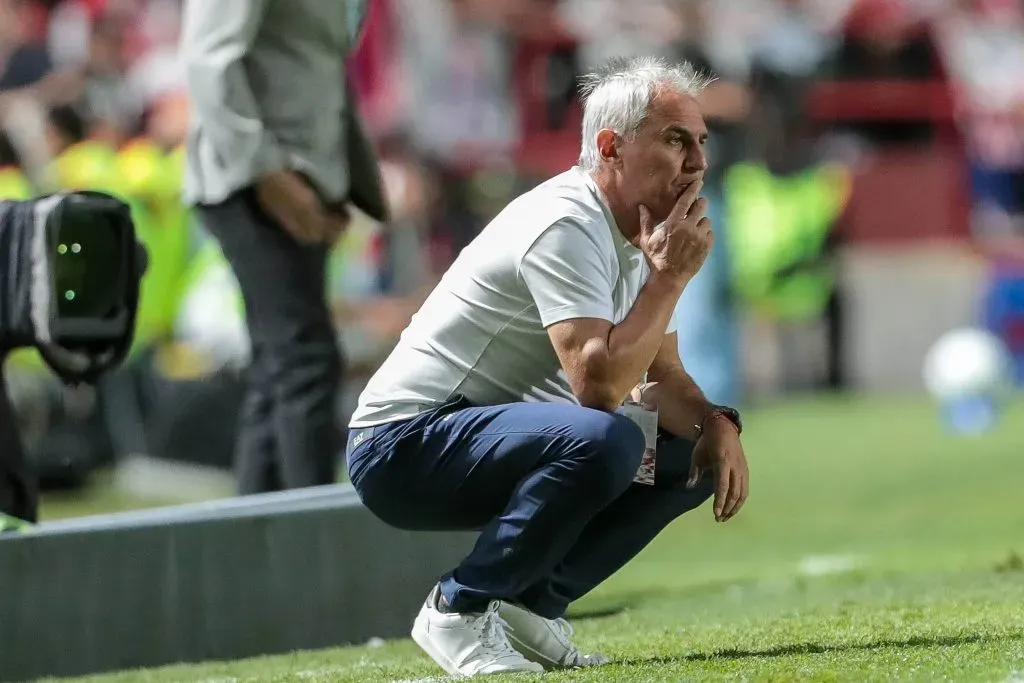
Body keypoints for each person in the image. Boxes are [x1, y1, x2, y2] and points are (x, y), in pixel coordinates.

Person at [346, 56, 751, 677]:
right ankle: (459, 606)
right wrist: (668, 279)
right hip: (401, 443)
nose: (697, 161)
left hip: (486, 431)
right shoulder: (566, 220)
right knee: (608, 437)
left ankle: (531, 604)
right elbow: (601, 388)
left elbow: (659, 371)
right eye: (675, 140)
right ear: (612, 145)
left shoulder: (639, 231)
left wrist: (715, 423)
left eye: (700, 141)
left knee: (681, 453)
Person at [180, 0, 388, 495]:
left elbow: (319, 66)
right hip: (254, 180)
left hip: (306, 177)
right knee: (305, 362)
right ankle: (305, 542)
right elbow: (209, 61)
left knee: (280, 369)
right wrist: (267, 173)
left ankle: (255, 544)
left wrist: (341, 179)